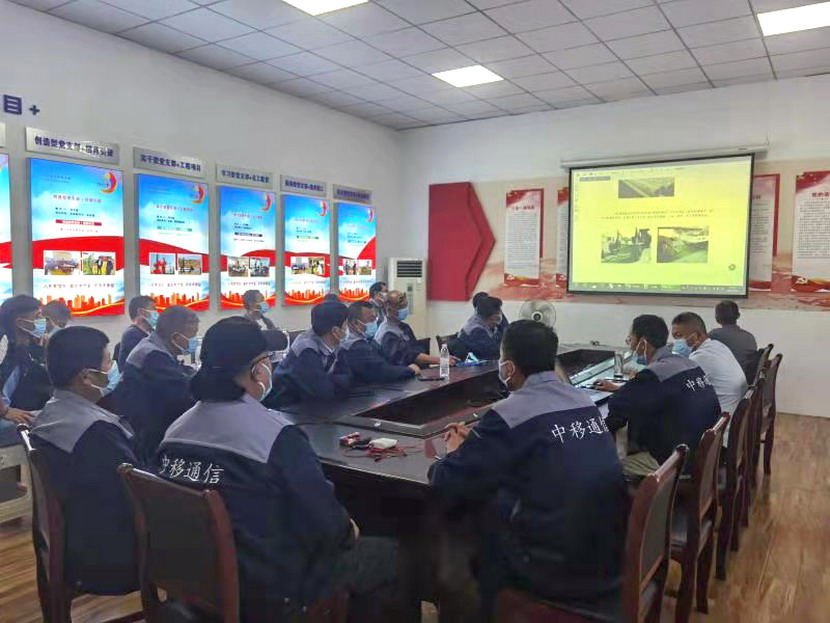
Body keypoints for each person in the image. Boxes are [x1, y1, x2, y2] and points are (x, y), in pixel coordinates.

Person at [157, 318, 418, 622]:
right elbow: (329, 526)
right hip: (269, 591)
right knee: (388, 555)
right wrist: (347, 530)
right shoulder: (276, 436)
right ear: (257, 370)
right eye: (268, 359)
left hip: (194, 580)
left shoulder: (174, 431)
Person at [430, 320, 628, 620]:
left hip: (554, 568)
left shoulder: (509, 413)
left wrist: (456, 452)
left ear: (508, 367)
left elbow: (448, 480)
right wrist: (482, 443)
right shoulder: (581, 400)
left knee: (468, 534)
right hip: (606, 554)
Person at [29, 326, 139, 594]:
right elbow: (138, 493)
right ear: (86, 377)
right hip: (109, 559)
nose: (113, 369)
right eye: (108, 362)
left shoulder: (50, 413)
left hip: (76, 539)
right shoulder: (97, 432)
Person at [598, 315, 720, 480]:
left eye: (631, 340)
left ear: (643, 343)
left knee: (603, 465)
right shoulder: (689, 364)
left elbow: (618, 407)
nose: (631, 346)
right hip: (700, 453)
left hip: (675, 462)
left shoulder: (654, 374)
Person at [114, 305, 199, 460]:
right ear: (175, 337)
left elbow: (181, 371)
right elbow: (185, 394)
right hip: (150, 434)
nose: (194, 342)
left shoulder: (154, 346)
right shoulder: (152, 356)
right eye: (192, 337)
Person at [269, 301, 352, 406]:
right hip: (288, 406)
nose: (349, 328)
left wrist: (328, 380)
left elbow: (348, 378)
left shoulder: (336, 343)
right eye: (346, 324)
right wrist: (333, 381)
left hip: (313, 403)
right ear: (335, 331)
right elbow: (324, 391)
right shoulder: (306, 349)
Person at [672, 312, 748, 422]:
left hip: (720, 425)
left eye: (679, 336)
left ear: (696, 336)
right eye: (674, 337)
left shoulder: (700, 358)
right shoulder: (718, 345)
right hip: (733, 417)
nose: (676, 342)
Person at [0, 295, 52, 446]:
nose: (43, 321)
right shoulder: (5, 347)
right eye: (37, 316)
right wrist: (5, 411)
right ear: (20, 323)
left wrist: (47, 353)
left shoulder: (30, 345)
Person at [340, 301, 420, 383]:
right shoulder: (355, 346)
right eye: (371, 319)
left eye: (376, 318)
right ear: (355, 323)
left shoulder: (362, 339)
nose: (375, 322)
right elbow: (380, 370)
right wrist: (409, 370)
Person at [375, 290, 450, 367]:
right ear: (389, 310)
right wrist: (440, 360)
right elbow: (407, 356)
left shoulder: (404, 327)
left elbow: (415, 350)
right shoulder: (387, 333)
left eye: (405, 306)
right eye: (401, 307)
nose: (404, 309)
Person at [710, 300, 759, 382]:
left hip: (724, 382)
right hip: (743, 382)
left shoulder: (713, 336)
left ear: (716, 318)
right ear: (738, 316)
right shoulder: (750, 337)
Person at [118, 295, 158, 369]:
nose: (156, 313)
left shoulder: (150, 333)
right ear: (141, 312)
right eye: (153, 309)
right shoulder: (132, 335)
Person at [458, 295, 504, 360]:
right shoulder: (475, 330)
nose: (500, 313)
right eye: (498, 311)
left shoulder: (489, 324)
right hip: (476, 363)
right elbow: (492, 352)